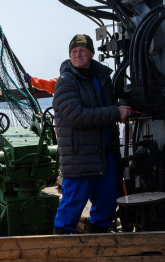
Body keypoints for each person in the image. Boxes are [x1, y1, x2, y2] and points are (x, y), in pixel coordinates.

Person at [52, 34, 132, 234]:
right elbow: (77, 116)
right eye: (74, 52)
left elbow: (110, 104)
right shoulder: (65, 81)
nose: (77, 55)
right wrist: (115, 112)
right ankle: (60, 251)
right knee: (72, 205)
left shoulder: (102, 77)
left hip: (105, 154)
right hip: (80, 156)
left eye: (82, 51)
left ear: (91, 53)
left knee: (107, 201)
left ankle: (100, 248)